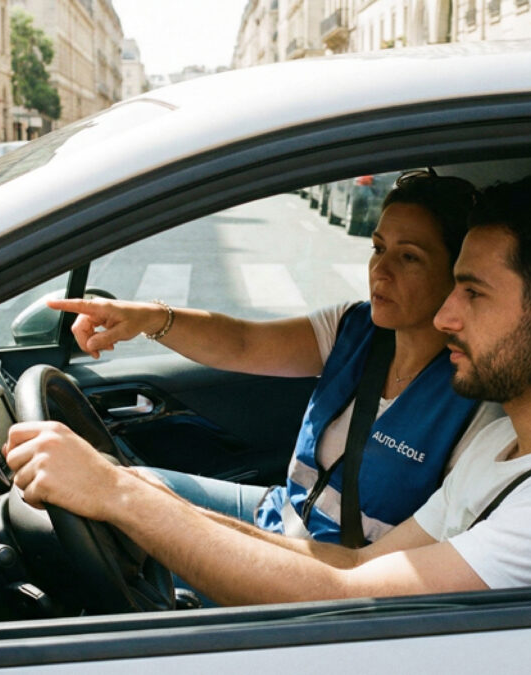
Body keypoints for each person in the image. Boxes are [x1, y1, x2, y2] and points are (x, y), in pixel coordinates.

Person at [5, 174, 531, 606]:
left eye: (472, 293)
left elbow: (343, 598)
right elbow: (358, 568)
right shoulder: (504, 444)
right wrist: (135, 493)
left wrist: (118, 494)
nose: (448, 316)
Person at [47, 172, 479, 545]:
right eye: (378, 248)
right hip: (277, 516)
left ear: (458, 274)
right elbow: (242, 342)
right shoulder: (354, 328)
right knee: (130, 488)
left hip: (323, 574)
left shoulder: (475, 394)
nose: (380, 271)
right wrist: (149, 318)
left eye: (409, 257)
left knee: (133, 521)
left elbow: (385, 571)